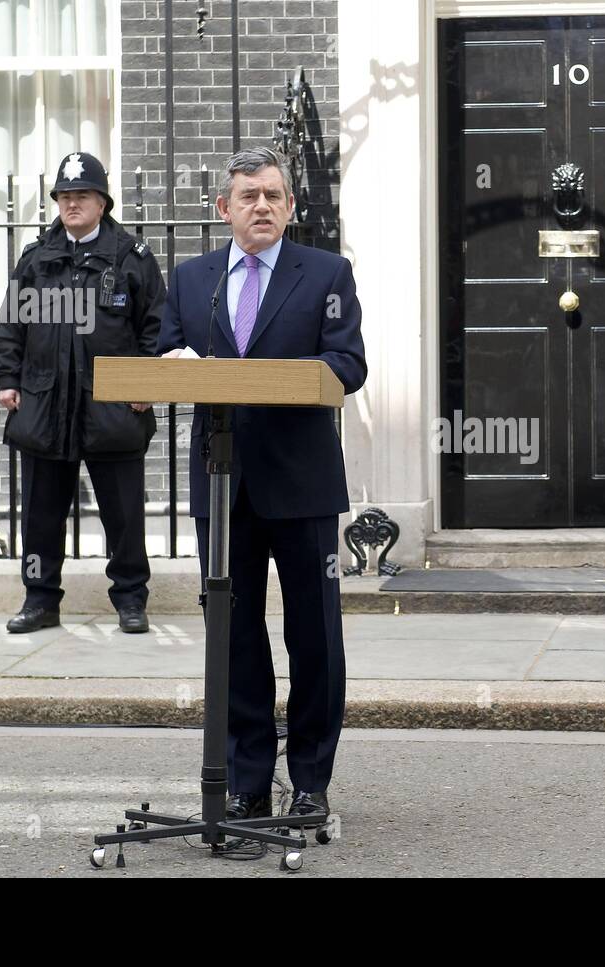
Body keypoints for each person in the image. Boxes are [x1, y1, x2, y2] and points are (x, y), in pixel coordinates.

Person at [158, 146, 366, 825]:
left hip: (301, 483)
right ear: (224, 209)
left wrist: (294, 377)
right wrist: (175, 362)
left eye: (274, 195)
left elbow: (348, 363)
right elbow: (165, 352)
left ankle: (309, 779)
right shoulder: (193, 280)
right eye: (248, 196)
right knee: (235, 635)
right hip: (224, 484)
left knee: (314, 638)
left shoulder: (327, 273)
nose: (262, 206)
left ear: (291, 206)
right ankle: (247, 778)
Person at [0, 151, 165, 635]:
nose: (71, 204)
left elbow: (158, 330)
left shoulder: (132, 260)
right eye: (65, 196)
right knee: (40, 518)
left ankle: (131, 599)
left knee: (124, 516)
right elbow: (10, 325)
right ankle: (39, 599)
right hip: (45, 405)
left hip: (112, 406)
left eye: (81, 195)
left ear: (102, 202)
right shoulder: (36, 260)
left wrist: (147, 385)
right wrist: (7, 379)